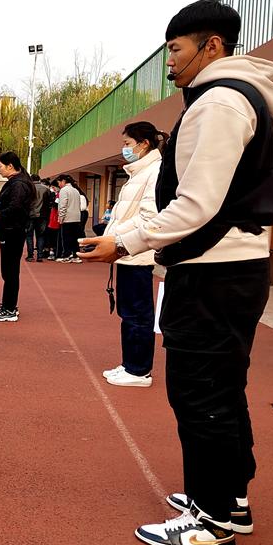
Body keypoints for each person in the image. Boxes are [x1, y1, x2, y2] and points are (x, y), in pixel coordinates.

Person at [80, 0, 273, 545]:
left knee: (200, 393)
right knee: (222, 389)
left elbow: (196, 205)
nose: (169, 63)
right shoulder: (234, 100)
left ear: (211, 46)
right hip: (230, 270)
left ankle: (211, 521)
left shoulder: (220, 103)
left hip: (215, 272)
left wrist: (123, 241)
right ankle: (229, 501)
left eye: (175, 49)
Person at [99, 122, 166, 388]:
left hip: (136, 252)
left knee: (137, 312)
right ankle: (131, 365)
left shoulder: (154, 171)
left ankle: (139, 370)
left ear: (144, 144)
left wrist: (115, 238)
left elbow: (150, 216)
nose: (124, 149)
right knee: (129, 312)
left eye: (127, 144)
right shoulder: (138, 172)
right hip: (126, 251)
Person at [0, 151, 35, 323]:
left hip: (12, 231)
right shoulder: (16, 182)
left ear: (10, 166)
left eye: (0, 166)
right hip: (10, 230)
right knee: (8, 270)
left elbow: (15, 209)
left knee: (10, 271)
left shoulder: (18, 184)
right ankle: (8, 305)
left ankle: (9, 308)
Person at [55, 175, 82, 262]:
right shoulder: (76, 190)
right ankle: (75, 255)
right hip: (76, 217)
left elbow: (63, 205)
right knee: (74, 238)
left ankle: (66, 255)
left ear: (63, 181)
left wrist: (61, 218)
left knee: (66, 238)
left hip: (67, 217)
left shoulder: (64, 190)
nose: (59, 184)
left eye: (59, 182)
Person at [25, 174, 50, 262]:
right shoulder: (46, 189)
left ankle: (30, 255)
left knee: (29, 236)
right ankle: (40, 256)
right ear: (39, 179)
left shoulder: (28, 188)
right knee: (41, 235)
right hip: (42, 215)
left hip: (30, 215)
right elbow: (49, 202)